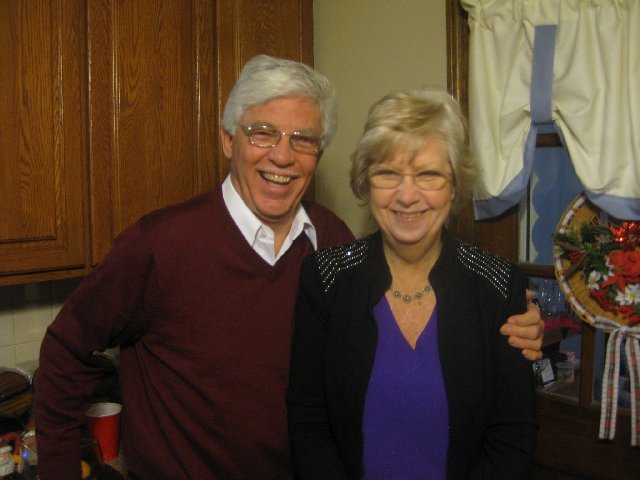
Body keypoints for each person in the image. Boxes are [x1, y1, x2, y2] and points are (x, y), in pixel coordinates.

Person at [35, 56, 542, 479]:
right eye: (262, 133)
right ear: (227, 140)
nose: (282, 156)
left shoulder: (333, 246)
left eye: (303, 138)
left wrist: (517, 328)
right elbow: (64, 351)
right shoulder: (160, 244)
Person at [287, 88, 538, 479]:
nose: (406, 196)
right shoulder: (326, 277)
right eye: (388, 173)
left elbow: (513, 435)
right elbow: (308, 421)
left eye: (428, 175)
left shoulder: (499, 285)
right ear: (367, 182)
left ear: (454, 186)